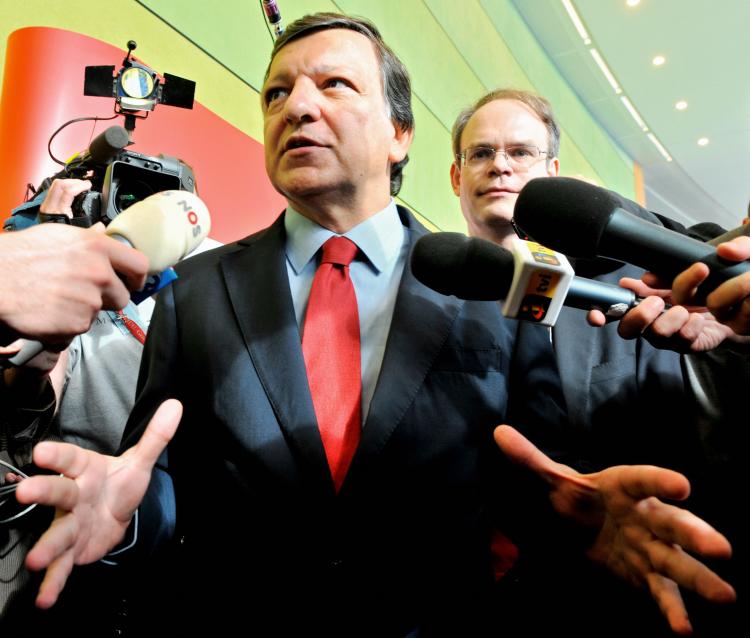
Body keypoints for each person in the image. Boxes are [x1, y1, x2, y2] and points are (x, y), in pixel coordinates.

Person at [15, 13, 735, 637]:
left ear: (400, 134)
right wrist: (126, 515)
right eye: (276, 93)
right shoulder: (195, 291)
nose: (297, 106)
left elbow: (533, 477)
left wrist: (572, 516)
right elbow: (160, 475)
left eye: (333, 85)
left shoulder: (495, 286)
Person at [449, 88, 744, 635]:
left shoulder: (641, 289)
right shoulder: (429, 298)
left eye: (520, 152)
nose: (500, 166)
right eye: (481, 153)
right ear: (455, 176)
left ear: (552, 173)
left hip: (653, 596)